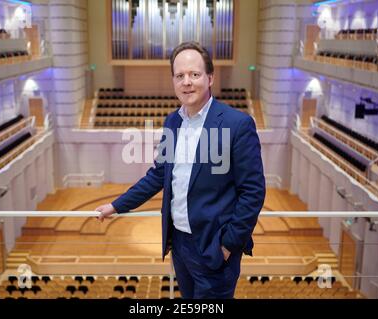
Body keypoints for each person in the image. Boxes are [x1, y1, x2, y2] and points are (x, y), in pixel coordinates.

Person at [96, 41, 265, 299]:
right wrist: (116, 206)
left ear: (210, 78)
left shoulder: (238, 124)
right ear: (174, 81)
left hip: (214, 247)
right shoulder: (173, 121)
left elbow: (253, 192)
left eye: (194, 74)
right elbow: (158, 175)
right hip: (179, 244)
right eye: (180, 76)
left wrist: (228, 244)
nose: (187, 82)